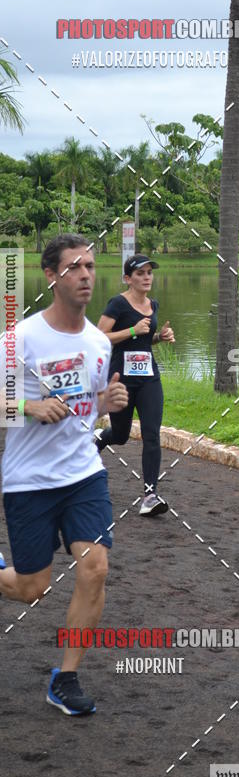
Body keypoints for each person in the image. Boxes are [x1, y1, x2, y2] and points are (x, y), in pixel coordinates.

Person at [0, 234, 129, 715]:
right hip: (28, 480)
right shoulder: (21, 340)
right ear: (51, 276)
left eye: (91, 266)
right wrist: (27, 405)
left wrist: (105, 404)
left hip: (82, 473)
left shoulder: (98, 342)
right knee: (32, 589)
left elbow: (84, 411)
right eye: (74, 267)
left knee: (95, 566)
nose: (85, 275)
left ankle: (66, 677)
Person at [94, 254, 175, 516]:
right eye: (140, 273)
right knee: (120, 436)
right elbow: (99, 338)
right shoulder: (117, 304)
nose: (147, 277)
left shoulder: (154, 305)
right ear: (128, 278)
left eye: (150, 272)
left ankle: (150, 496)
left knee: (152, 434)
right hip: (121, 380)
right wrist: (131, 331)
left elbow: (144, 339)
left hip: (149, 378)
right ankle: (98, 439)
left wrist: (159, 337)